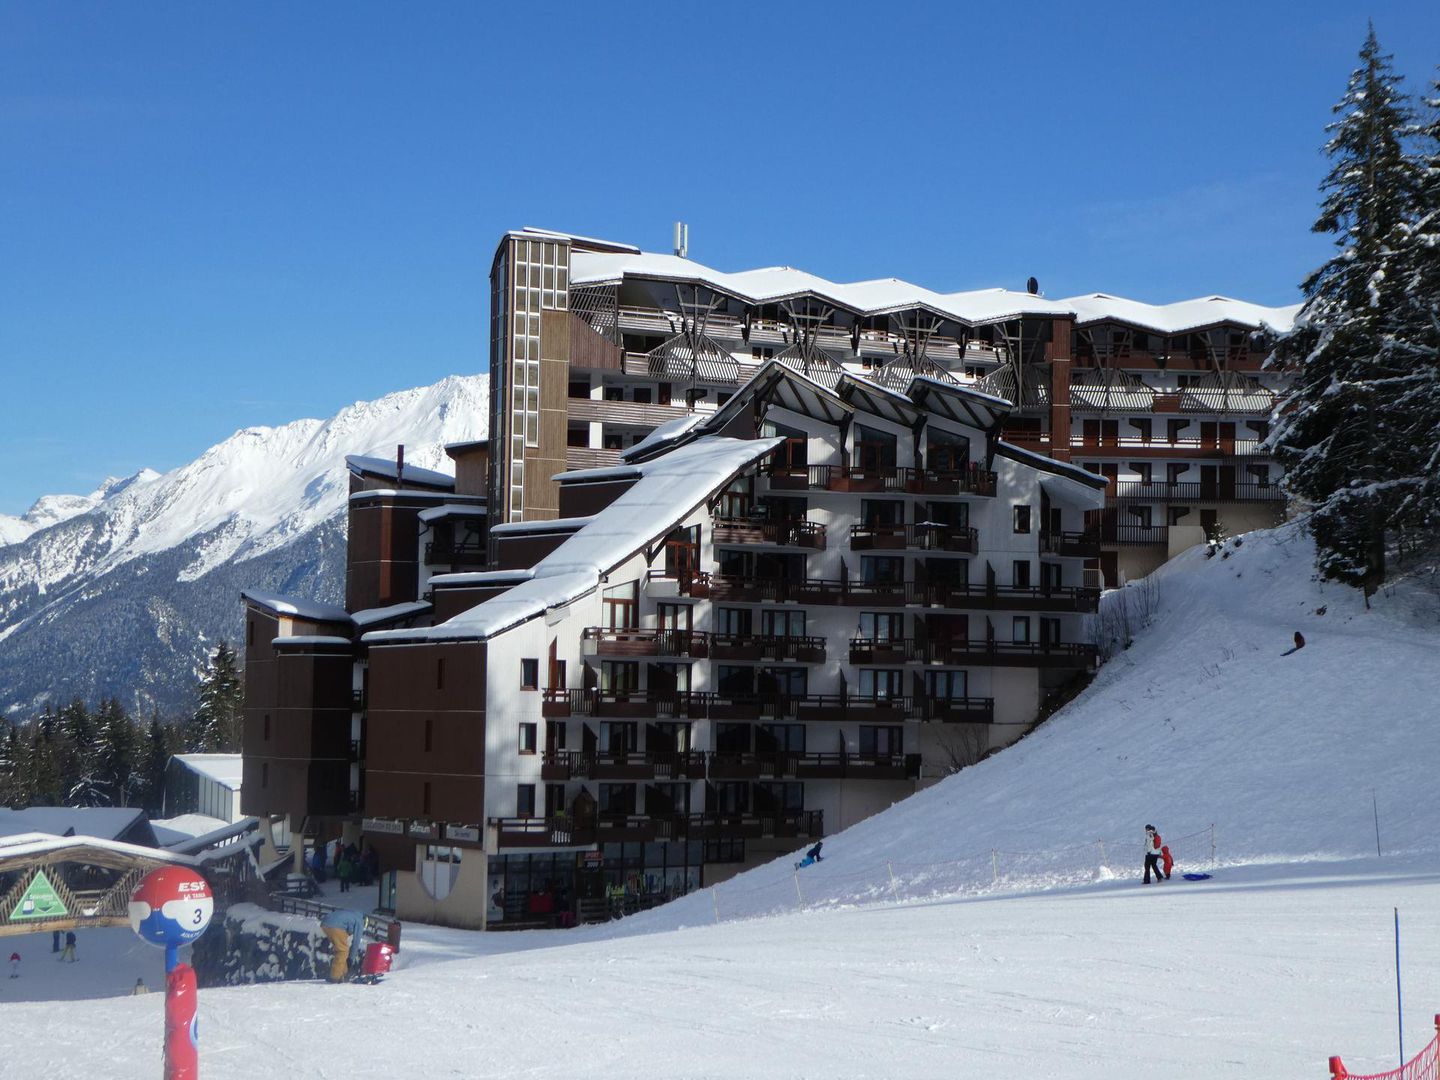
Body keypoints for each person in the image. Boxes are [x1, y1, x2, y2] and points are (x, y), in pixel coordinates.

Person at [319, 908, 365, 983]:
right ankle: (335, 977)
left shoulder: (351, 914)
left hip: (325, 924)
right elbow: (356, 942)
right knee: (342, 952)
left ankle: (344, 975)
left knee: (340, 950)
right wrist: (351, 959)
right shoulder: (359, 921)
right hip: (335, 927)